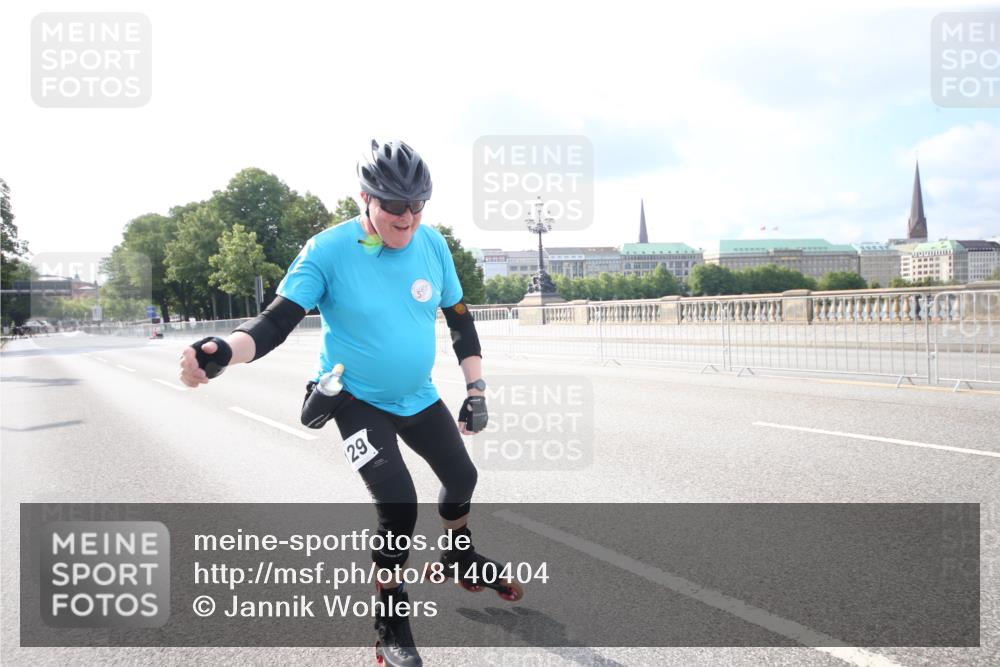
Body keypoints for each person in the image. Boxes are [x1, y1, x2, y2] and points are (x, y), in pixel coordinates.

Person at [178, 140, 521, 667]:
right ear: (365, 197)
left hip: (416, 395)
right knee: (400, 505)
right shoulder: (327, 250)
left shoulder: (431, 244)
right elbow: (273, 323)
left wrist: (476, 390)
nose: (406, 218)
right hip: (353, 399)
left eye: (417, 206)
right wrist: (224, 350)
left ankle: (457, 552)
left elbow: (460, 321)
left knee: (463, 479)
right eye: (393, 206)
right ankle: (390, 621)